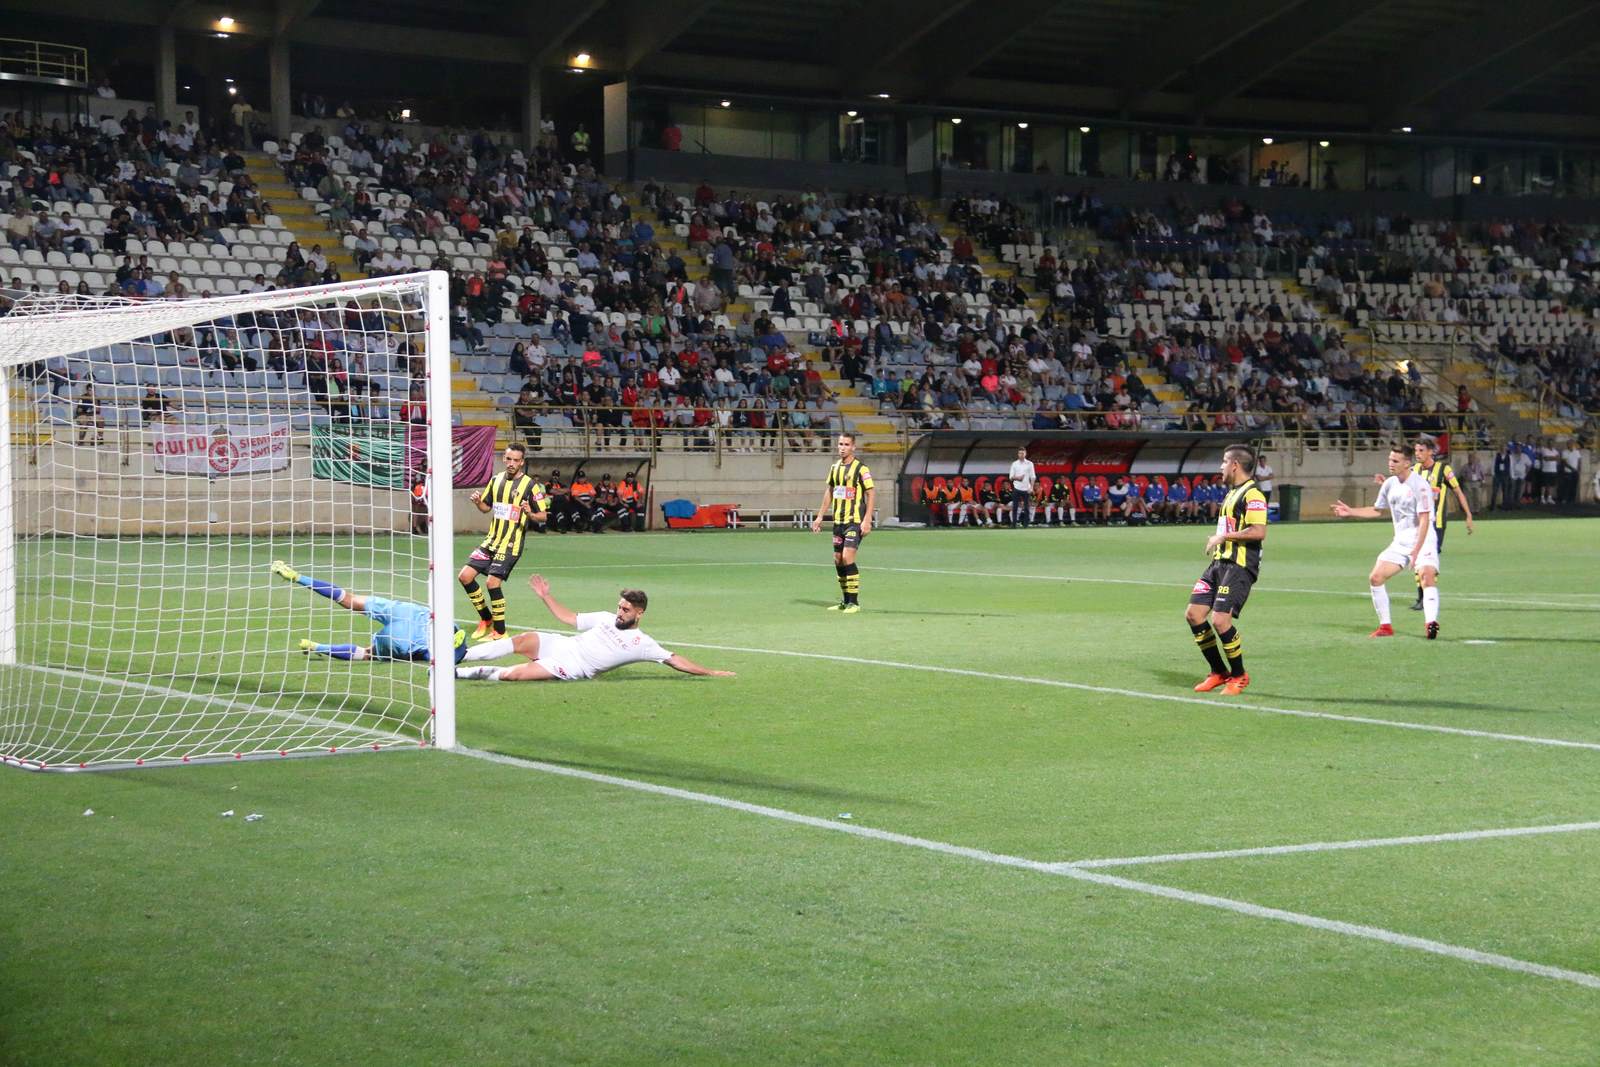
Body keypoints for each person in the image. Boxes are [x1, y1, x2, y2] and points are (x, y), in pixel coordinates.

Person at [456, 575, 733, 682]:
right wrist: (546, 596)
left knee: (514, 676)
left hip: (573, 667)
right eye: (619, 607)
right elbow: (569, 619)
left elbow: (674, 660)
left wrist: (709, 671)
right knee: (523, 639)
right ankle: (459, 655)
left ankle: (458, 673)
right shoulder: (604, 617)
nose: (619, 612)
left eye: (625, 610)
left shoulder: (642, 642)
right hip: (564, 645)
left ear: (639, 613)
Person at [1185, 445, 1268, 695]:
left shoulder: (1253, 494)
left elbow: (1258, 531)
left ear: (1235, 465)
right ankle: (1219, 673)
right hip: (1219, 564)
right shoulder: (1233, 492)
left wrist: (1223, 537)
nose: (1220, 467)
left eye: (1223, 462)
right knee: (1193, 614)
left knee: (1220, 620)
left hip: (1239, 566)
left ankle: (1239, 676)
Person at [1332, 446, 1440, 639]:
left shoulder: (1420, 485)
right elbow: (1377, 510)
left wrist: (1416, 551)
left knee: (1426, 576)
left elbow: (1424, 520)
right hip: (1401, 542)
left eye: (1395, 461)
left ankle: (1431, 623)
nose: (1391, 464)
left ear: (1407, 463)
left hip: (1423, 540)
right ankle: (1386, 627)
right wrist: (1351, 512)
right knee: (1376, 578)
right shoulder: (1390, 484)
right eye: (1390, 460)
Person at [270, 560, 465, 663]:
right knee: (367, 654)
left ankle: (298, 577)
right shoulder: (437, 648)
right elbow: (432, 659)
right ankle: (316, 646)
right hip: (407, 639)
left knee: (348, 598)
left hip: (409, 613)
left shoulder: (447, 622)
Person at [458, 444, 547, 642]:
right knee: (465, 576)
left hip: (511, 544)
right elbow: (485, 508)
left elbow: (542, 516)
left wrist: (529, 513)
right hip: (491, 541)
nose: (512, 463)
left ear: (522, 462)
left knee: (492, 582)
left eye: (516, 460)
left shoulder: (530, 486)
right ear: (504, 459)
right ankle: (486, 619)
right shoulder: (496, 480)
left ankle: (500, 631)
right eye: (509, 459)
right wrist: (477, 501)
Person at [1405, 434, 1473, 612]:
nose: (1417, 454)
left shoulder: (1444, 469)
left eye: (1421, 451)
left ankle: (1427, 596)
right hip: (1419, 522)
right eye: (1415, 451)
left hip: (1437, 524)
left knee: (1429, 559)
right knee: (1419, 557)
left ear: (1430, 452)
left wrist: (1468, 515)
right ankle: (1422, 597)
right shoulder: (1414, 470)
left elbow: (1458, 491)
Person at [810, 431, 875, 612]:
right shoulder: (834, 468)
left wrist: (867, 519)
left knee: (847, 557)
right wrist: (820, 516)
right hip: (838, 521)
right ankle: (845, 601)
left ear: (853, 447)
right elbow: (830, 492)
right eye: (840, 444)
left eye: (846, 445)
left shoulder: (861, 469)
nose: (843, 448)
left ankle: (854, 602)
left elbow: (871, 492)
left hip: (854, 521)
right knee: (838, 559)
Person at [1007, 446, 1037, 527]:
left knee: (1027, 507)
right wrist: (1018, 478)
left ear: (1025, 454)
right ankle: (1014, 524)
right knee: (1015, 507)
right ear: (1018, 454)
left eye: (1023, 453)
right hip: (1017, 488)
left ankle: (1026, 524)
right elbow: (1011, 477)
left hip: (1026, 488)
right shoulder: (1014, 464)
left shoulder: (1030, 464)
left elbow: (1033, 476)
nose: (1021, 455)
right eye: (1020, 453)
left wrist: (1031, 487)